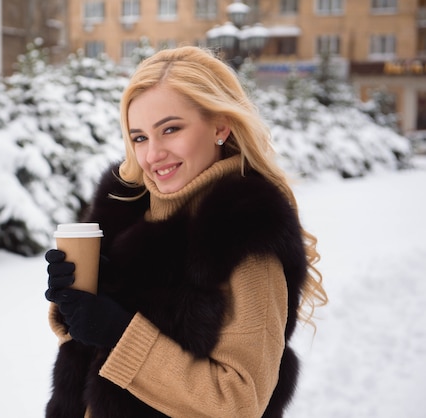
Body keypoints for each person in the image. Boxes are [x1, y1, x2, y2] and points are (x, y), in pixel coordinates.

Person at [44, 46, 327, 418]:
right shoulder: (123, 210)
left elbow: (240, 402)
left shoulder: (243, 232)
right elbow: (86, 348)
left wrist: (118, 333)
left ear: (220, 126)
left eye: (171, 129)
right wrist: (76, 305)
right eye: (140, 137)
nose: (153, 154)